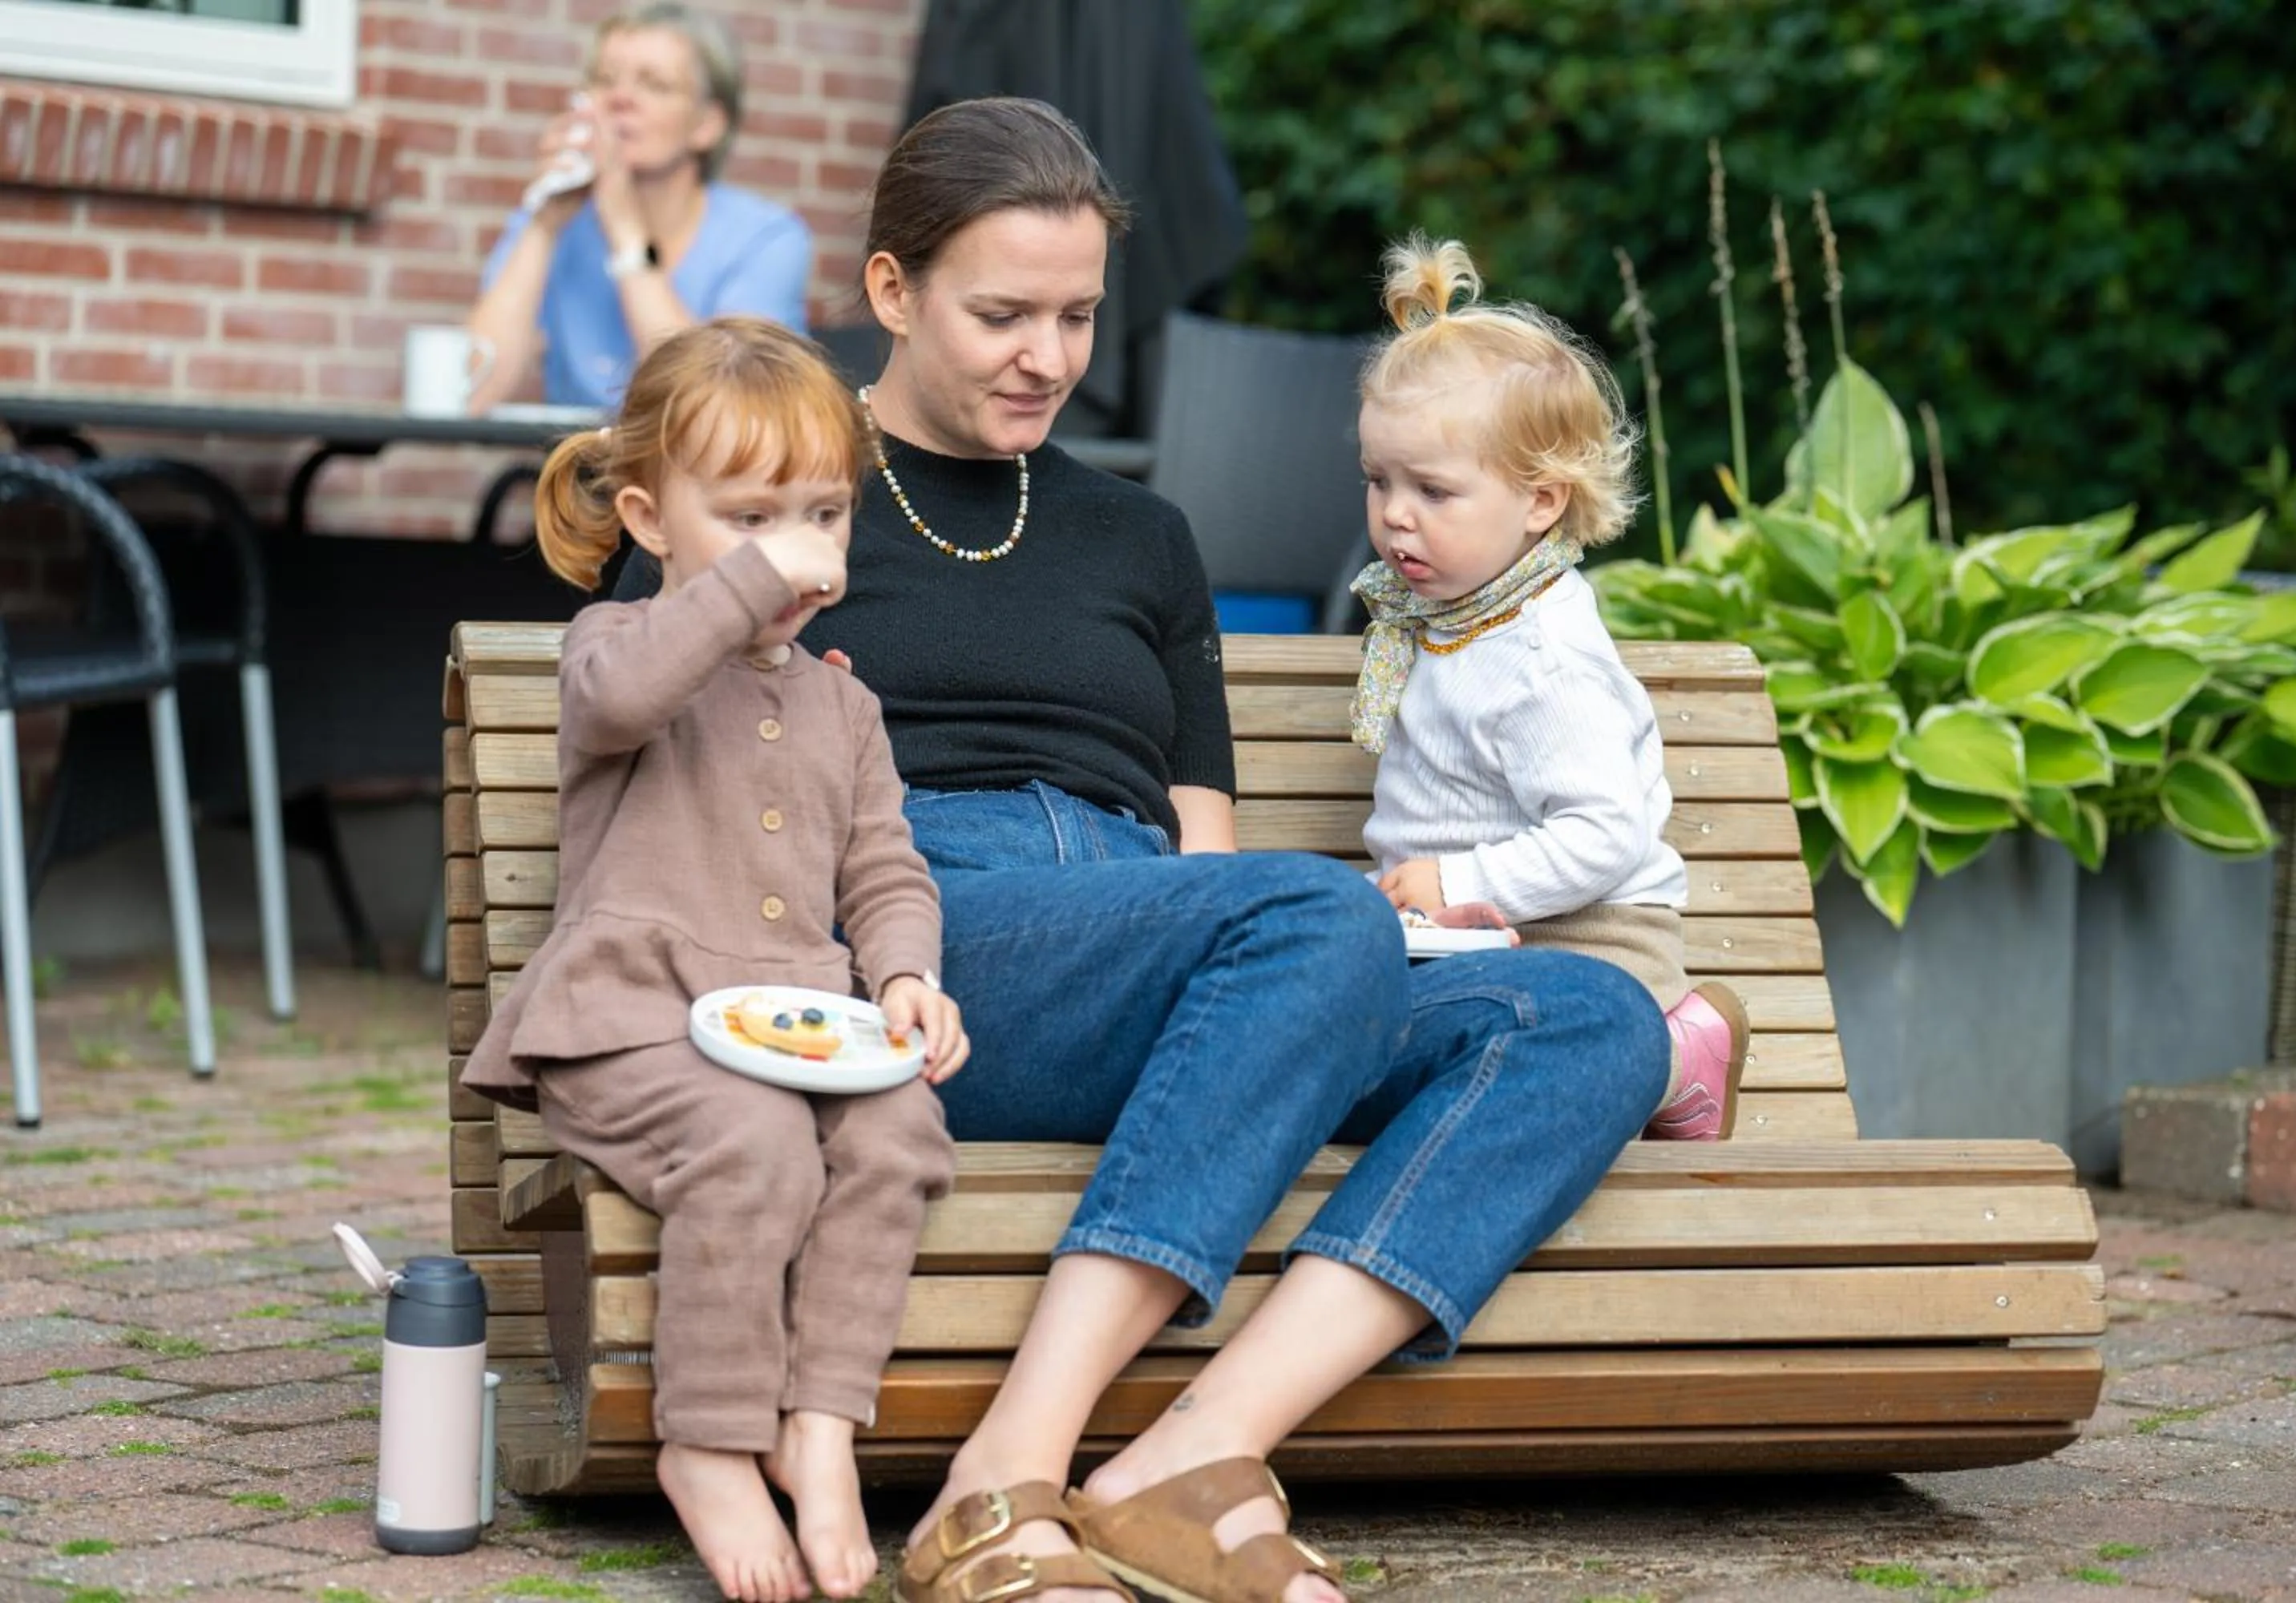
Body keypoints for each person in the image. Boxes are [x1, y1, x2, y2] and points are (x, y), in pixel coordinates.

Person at [616, 98, 1669, 1603]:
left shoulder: (1144, 537)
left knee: (1595, 1018)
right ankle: (1003, 1476)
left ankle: (1192, 1453)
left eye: (1077, 316)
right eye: (1001, 316)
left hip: (1156, 940)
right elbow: (655, 717)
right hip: (925, 946)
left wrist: (1281, 954)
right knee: (1319, 920)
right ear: (892, 292)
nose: (1047, 357)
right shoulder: (782, 491)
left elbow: (1205, 840)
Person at [463, 318, 967, 1603]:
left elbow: (884, 868)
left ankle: (822, 1425)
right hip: (626, 1029)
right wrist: (748, 582)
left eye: (823, 515)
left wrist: (906, 976)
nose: (795, 549)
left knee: (901, 1131)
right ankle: (709, 1442)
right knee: (753, 1146)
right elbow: (626, 697)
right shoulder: (616, 647)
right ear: (649, 518)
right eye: (749, 518)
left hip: (792, 1030)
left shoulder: (844, 706)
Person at [1350, 236, 1752, 1141]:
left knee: (1513, 1074)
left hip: (1591, 939)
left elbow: (1605, 834)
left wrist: (1454, 878)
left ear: (1541, 501)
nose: (1395, 513)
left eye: (1433, 491)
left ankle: (1675, 1056)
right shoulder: (1449, 613)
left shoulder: (1544, 658)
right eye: (1379, 480)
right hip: (1467, 933)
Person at [466, 3, 811, 411]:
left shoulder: (767, 240)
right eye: (604, 80)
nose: (620, 99)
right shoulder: (549, 220)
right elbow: (473, 392)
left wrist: (626, 230)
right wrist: (543, 226)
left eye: (655, 85)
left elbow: (715, 409)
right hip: (579, 455)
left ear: (707, 125)